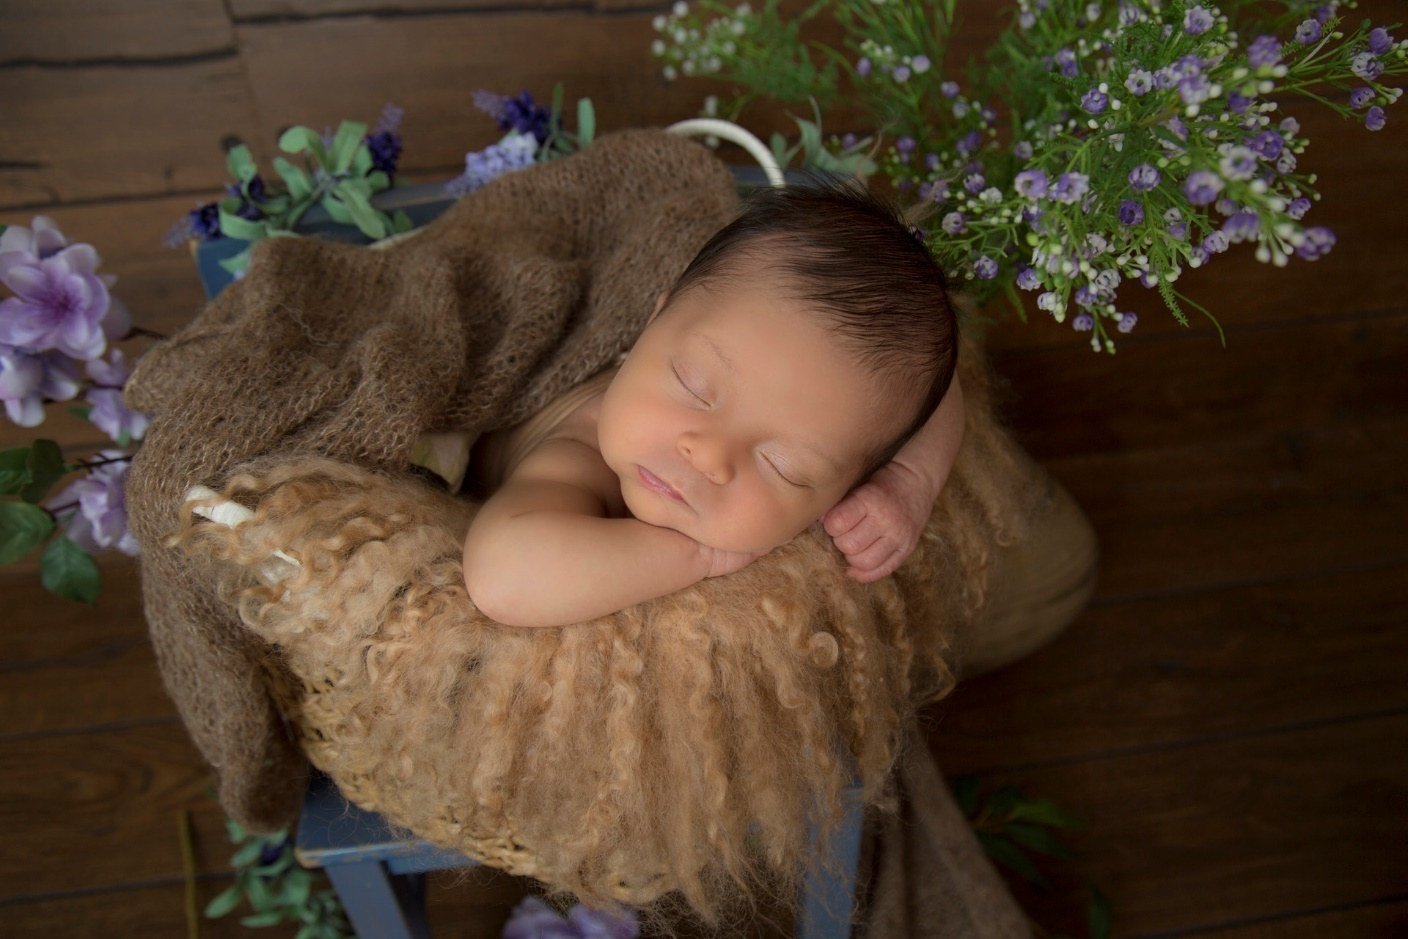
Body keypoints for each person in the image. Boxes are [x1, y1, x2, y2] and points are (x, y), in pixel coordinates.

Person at [462, 179, 966, 628]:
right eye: (693, 385)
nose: (707, 456)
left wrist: (908, 485)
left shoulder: (847, 413)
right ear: (651, 322)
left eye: (782, 466)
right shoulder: (577, 456)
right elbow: (502, 578)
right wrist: (696, 557)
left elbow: (936, 392)